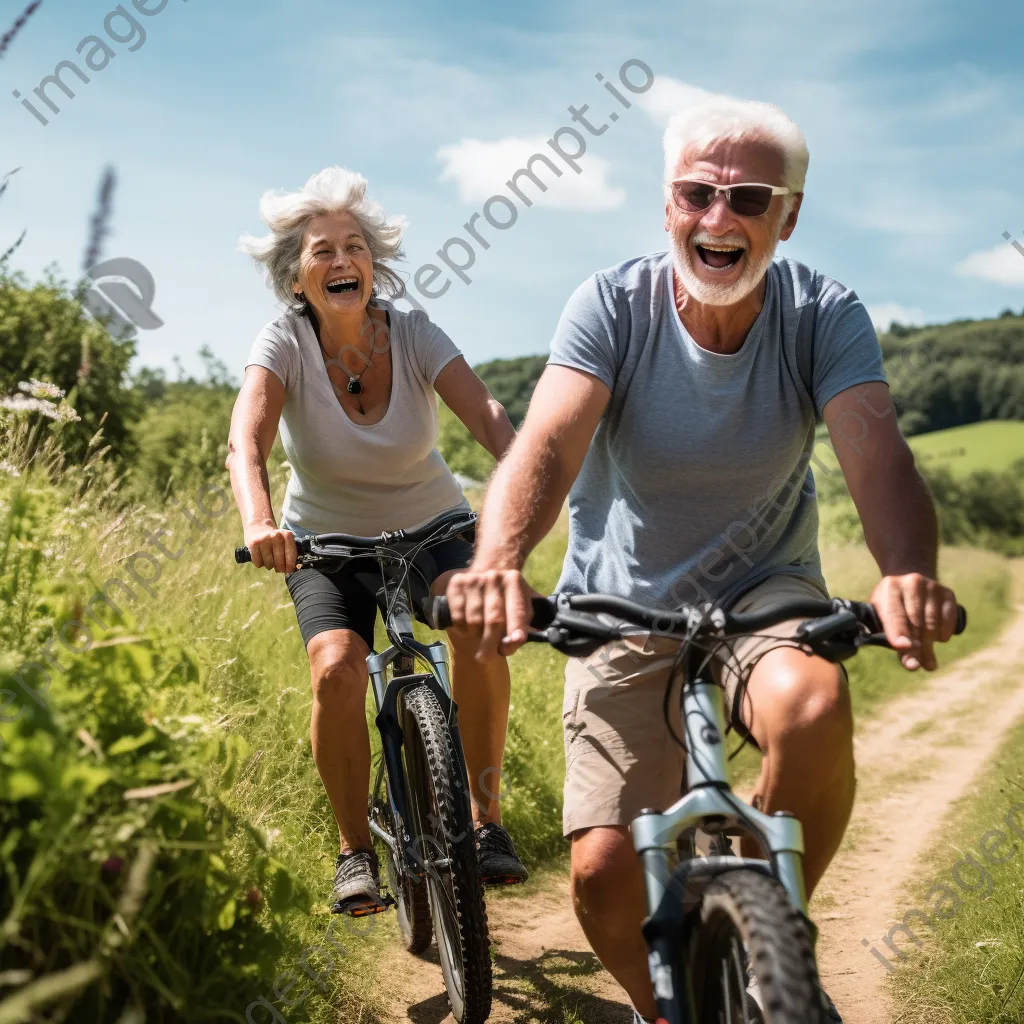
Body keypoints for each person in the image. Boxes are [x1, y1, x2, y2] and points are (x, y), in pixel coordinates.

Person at [444, 96, 960, 1023]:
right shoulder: (611, 303)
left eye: (750, 199)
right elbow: (550, 445)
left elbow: (877, 454)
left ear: (788, 217)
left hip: (766, 594)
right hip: (620, 601)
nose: (719, 220)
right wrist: (498, 561)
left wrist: (906, 570)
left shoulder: (823, 313)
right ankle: (670, 1007)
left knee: (811, 706)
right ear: (667, 203)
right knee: (603, 877)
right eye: (697, 195)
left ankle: (770, 942)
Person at [226, 166, 528, 916]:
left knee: (478, 627)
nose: (342, 261)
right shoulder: (284, 342)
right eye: (322, 251)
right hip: (324, 545)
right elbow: (247, 440)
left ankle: (487, 825)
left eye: (354, 247)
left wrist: (523, 478)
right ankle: (354, 850)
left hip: (435, 528)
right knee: (335, 668)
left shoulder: (415, 332)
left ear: (374, 263)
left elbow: (487, 414)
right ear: (297, 275)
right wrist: (260, 523)